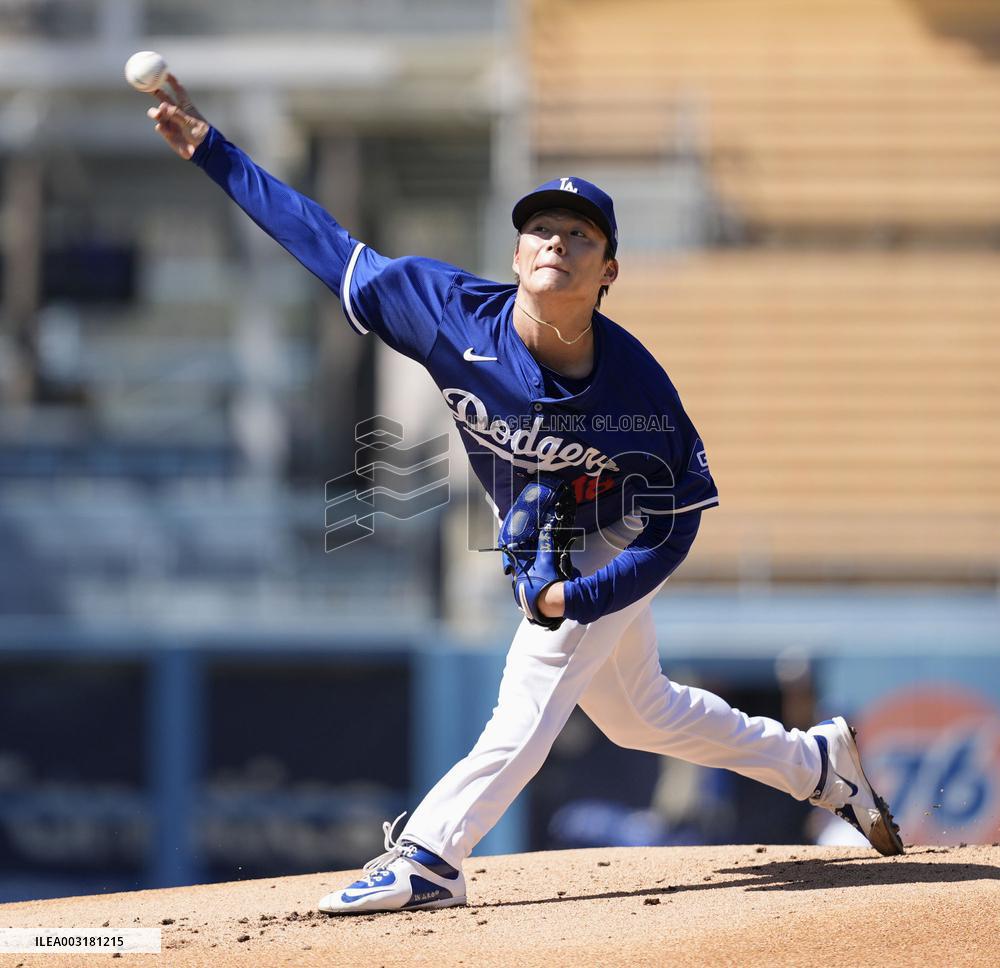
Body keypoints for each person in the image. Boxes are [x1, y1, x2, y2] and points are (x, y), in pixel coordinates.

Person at [145, 78, 904, 915]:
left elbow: (674, 532)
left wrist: (578, 594)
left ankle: (432, 855)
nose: (556, 242)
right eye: (540, 228)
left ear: (608, 271)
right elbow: (324, 242)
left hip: (616, 532)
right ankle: (817, 764)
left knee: (539, 673)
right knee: (639, 716)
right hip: (546, 528)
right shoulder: (444, 314)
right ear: (515, 257)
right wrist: (212, 150)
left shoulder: (640, 395)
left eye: (580, 235)